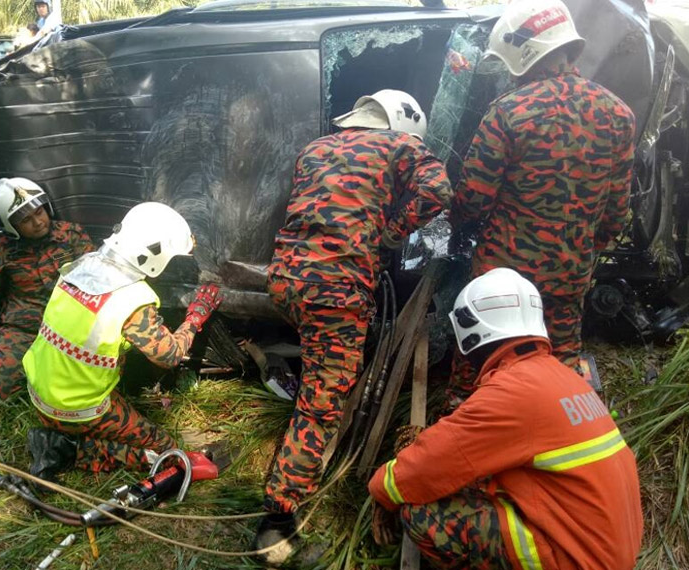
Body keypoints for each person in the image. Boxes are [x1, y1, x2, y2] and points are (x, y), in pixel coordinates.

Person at [256, 89, 452, 564]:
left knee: (321, 370)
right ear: (399, 124)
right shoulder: (399, 145)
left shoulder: (316, 148)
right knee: (323, 401)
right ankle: (275, 523)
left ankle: (300, 447)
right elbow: (438, 190)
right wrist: (388, 232)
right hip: (334, 286)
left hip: (286, 280)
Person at [369, 268, 643, 569]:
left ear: (471, 330)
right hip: (606, 548)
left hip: (575, 558)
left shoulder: (513, 391)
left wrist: (382, 491)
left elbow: (427, 465)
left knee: (422, 515)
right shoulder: (562, 377)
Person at [445, 0, 636, 412]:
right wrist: (585, 248)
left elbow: (473, 200)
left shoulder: (509, 113)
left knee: (480, 362)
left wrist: (455, 223)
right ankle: (565, 433)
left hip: (504, 274)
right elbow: (616, 211)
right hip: (571, 270)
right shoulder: (618, 114)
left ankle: (470, 428)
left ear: (522, 55)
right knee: (562, 360)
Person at [22, 202, 223, 476]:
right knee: (167, 453)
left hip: (39, 394)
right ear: (155, 254)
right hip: (75, 408)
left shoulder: (79, 266)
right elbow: (170, 355)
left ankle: (65, 434)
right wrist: (196, 317)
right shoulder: (131, 298)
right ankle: (67, 449)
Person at [0, 178, 95, 404]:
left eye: (39, 212)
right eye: (26, 220)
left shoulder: (72, 237)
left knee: (90, 386)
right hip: (24, 331)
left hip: (71, 328)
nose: (38, 222)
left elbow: (99, 281)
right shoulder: (1, 253)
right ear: (11, 225)